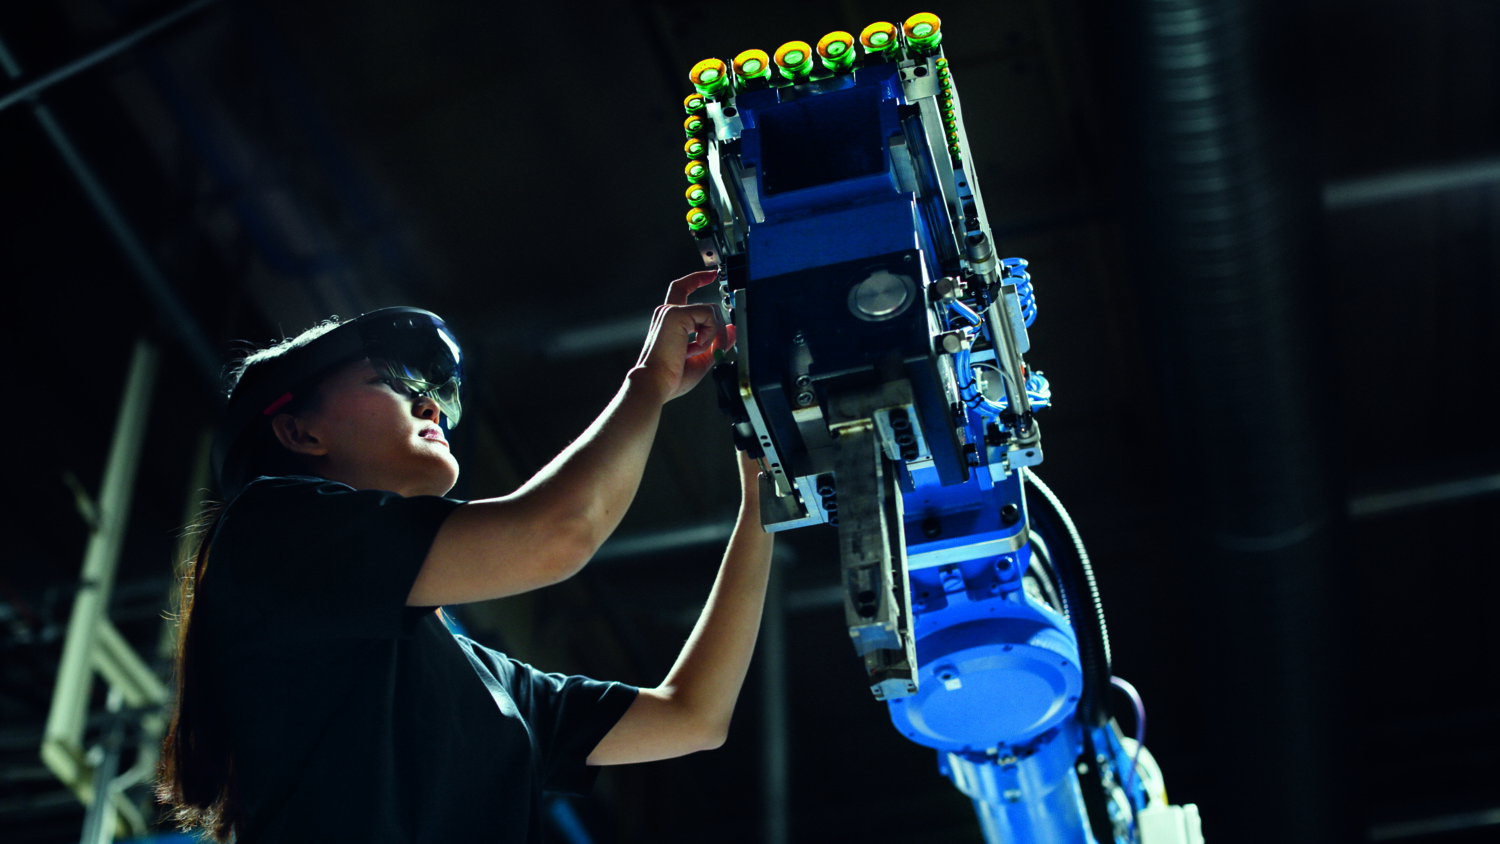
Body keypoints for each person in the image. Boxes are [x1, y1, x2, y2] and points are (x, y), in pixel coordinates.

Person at [155, 270, 775, 842]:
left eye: (433, 391)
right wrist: (649, 381)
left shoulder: (484, 683)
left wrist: (762, 501)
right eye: (391, 381)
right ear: (299, 431)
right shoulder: (267, 532)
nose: (432, 405)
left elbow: (692, 715)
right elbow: (558, 533)